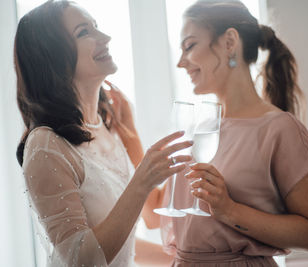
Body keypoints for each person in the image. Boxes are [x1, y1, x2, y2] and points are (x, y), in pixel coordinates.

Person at [142, 1, 308, 266]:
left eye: (190, 45)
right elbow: (153, 215)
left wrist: (229, 210)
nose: (181, 63)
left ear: (229, 42)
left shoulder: (280, 129)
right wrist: (127, 138)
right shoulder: (198, 130)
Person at [15, 1, 193, 266]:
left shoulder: (106, 128)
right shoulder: (45, 145)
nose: (106, 38)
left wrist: (184, 260)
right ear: (52, 57)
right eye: (84, 32)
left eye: (96, 27)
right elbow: (80, 259)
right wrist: (141, 182)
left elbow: (120, 243)